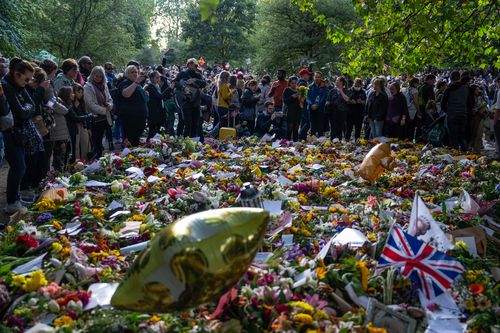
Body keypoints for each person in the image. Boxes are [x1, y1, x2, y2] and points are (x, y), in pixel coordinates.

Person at [2, 58, 44, 213]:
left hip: (18, 131)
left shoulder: (18, 85)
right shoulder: (6, 86)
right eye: (26, 79)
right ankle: (12, 202)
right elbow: (21, 111)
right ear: (17, 74)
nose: (28, 82)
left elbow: (31, 105)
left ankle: (15, 199)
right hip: (9, 131)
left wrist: (25, 110)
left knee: (20, 166)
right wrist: (25, 110)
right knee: (19, 166)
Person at [84, 66, 114, 157]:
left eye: (100, 76)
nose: (98, 78)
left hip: (104, 118)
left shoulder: (104, 86)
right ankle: (94, 160)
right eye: (96, 76)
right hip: (93, 118)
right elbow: (90, 104)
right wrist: (104, 110)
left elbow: (109, 98)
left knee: (100, 141)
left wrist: (110, 105)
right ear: (92, 75)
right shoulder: (87, 87)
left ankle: (99, 159)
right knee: (95, 142)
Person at [173, 58, 206, 138]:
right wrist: (183, 88)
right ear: (187, 65)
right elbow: (174, 82)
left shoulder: (198, 75)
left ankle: (193, 141)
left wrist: (194, 80)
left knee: (195, 124)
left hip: (196, 102)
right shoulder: (182, 74)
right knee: (188, 124)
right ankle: (186, 141)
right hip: (185, 102)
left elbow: (204, 84)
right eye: (189, 65)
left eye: (193, 65)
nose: (191, 67)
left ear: (196, 66)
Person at [117, 65, 148, 146]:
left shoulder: (137, 85)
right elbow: (126, 94)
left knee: (136, 141)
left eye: (136, 72)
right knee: (129, 141)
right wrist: (136, 82)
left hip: (140, 117)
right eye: (132, 72)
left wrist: (145, 93)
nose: (135, 74)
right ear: (127, 74)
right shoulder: (125, 83)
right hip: (130, 118)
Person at [441, 70, 471, 151]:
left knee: (453, 136)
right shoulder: (465, 88)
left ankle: (456, 153)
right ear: (459, 77)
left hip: (452, 115)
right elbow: (469, 103)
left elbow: (443, 103)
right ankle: (465, 152)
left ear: (451, 78)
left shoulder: (449, 89)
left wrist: (448, 111)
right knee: (462, 135)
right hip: (463, 114)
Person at [71, 83, 92, 161]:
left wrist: (89, 127)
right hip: (76, 126)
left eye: (81, 92)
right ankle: (77, 163)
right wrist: (75, 107)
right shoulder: (71, 103)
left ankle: (85, 160)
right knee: (76, 146)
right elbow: (75, 116)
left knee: (85, 144)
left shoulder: (82, 102)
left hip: (83, 126)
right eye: (78, 92)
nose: (81, 94)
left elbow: (85, 114)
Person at [326, 76, 350, 141]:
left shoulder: (346, 90)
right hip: (333, 112)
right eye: (336, 80)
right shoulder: (332, 91)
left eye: (337, 80)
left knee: (341, 128)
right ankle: (332, 141)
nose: (336, 81)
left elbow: (347, 99)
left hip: (342, 112)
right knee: (333, 128)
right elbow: (328, 100)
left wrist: (341, 91)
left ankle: (340, 141)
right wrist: (329, 103)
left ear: (341, 82)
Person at [145, 71, 168, 139]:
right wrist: (169, 88)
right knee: (152, 132)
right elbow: (159, 97)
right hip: (153, 113)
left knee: (159, 131)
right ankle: (149, 145)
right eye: (156, 78)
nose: (158, 79)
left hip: (159, 112)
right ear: (151, 78)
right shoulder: (150, 87)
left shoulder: (157, 86)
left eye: (159, 78)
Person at [306, 72, 329, 137]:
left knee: (320, 125)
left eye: (319, 77)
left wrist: (317, 105)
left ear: (321, 78)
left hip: (320, 109)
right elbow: (307, 97)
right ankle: (313, 140)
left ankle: (320, 141)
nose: (317, 78)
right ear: (314, 77)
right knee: (312, 125)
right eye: (316, 77)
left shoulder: (324, 87)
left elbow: (324, 97)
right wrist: (311, 105)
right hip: (311, 109)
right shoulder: (310, 86)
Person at [283, 76, 302, 142]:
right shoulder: (287, 90)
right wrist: (292, 97)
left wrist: (301, 98)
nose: (294, 85)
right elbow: (285, 100)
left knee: (296, 128)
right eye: (292, 83)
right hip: (290, 111)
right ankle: (287, 142)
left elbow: (302, 101)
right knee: (289, 128)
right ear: (289, 83)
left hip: (298, 111)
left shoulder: (299, 90)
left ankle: (295, 142)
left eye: (295, 83)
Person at [469, 85, 487, 154]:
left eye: (478, 89)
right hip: (474, 118)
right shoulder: (471, 98)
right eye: (476, 89)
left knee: (478, 134)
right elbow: (472, 109)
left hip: (479, 117)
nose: (478, 91)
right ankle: (472, 149)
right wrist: (479, 109)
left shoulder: (479, 97)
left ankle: (476, 150)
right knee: (473, 134)